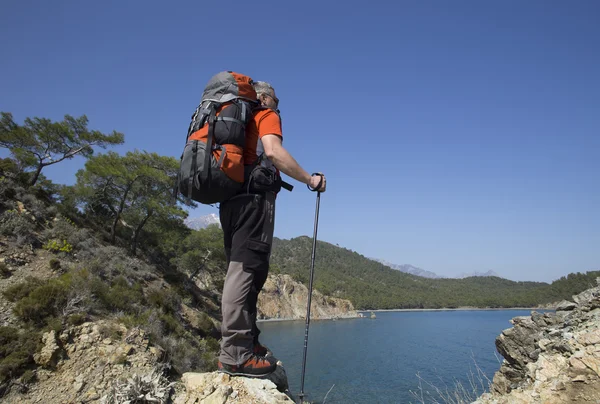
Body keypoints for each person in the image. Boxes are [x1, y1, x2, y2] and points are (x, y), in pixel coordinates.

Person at [217, 80, 326, 377]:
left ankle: (247, 342)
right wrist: (309, 179)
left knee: (242, 269)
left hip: (230, 202)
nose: (277, 107)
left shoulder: (234, 124)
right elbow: (274, 152)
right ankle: (236, 353)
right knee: (245, 270)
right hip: (254, 200)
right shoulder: (263, 113)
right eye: (276, 101)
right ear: (264, 98)